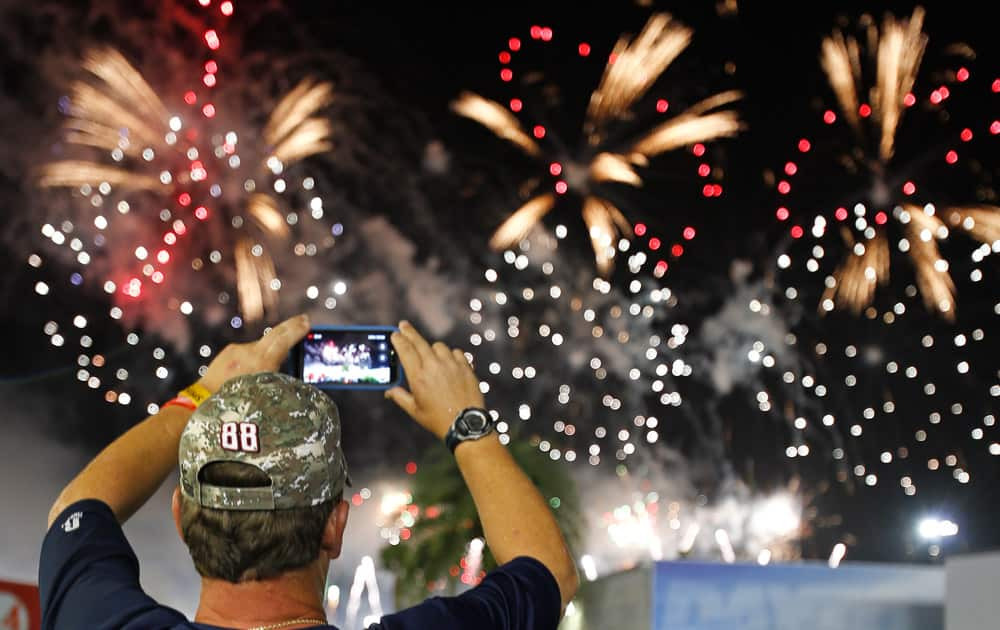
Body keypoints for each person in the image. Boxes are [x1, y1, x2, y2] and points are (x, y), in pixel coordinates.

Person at [40, 314, 579, 629]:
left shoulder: (100, 621)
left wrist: (198, 397)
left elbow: (79, 509)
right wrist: (468, 425)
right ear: (334, 525)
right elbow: (548, 571)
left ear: (180, 517)